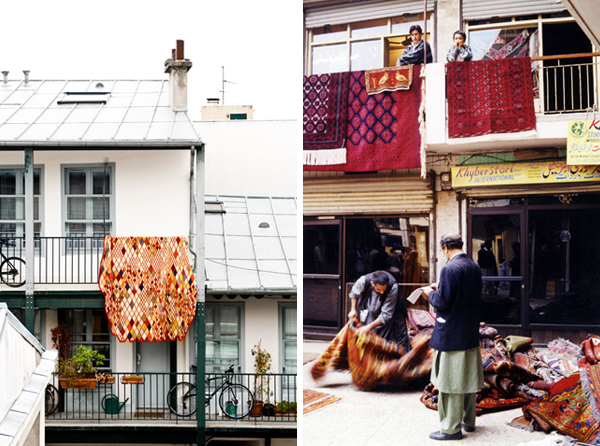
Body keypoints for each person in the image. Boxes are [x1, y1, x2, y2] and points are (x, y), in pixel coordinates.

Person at [423, 234, 483, 441]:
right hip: (469, 331)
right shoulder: (473, 266)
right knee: (467, 378)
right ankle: (469, 421)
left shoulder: (449, 268)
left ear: (446, 248)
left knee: (450, 382)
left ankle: (450, 428)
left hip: (451, 334)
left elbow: (442, 301)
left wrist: (430, 293)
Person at [348, 270, 410, 352]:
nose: (382, 292)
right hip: (374, 310)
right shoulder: (364, 280)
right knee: (374, 338)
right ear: (372, 284)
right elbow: (354, 293)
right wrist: (353, 309)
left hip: (395, 310)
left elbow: (386, 315)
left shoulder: (392, 286)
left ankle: (403, 361)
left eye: (384, 289)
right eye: (379, 289)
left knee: (400, 339)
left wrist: (368, 327)